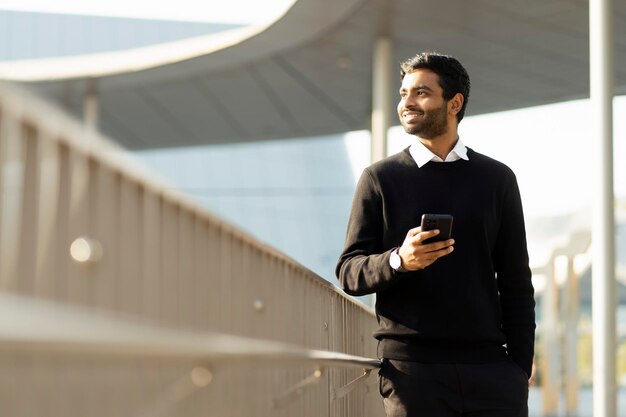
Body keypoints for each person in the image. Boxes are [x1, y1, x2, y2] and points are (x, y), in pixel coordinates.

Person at [336, 52, 535, 417]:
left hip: (491, 372)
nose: (406, 103)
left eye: (421, 93)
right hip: (413, 374)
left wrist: (518, 369)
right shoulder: (379, 178)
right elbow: (349, 271)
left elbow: (516, 282)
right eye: (403, 93)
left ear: (454, 102)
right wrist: (399, 260)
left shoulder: (497, 179)